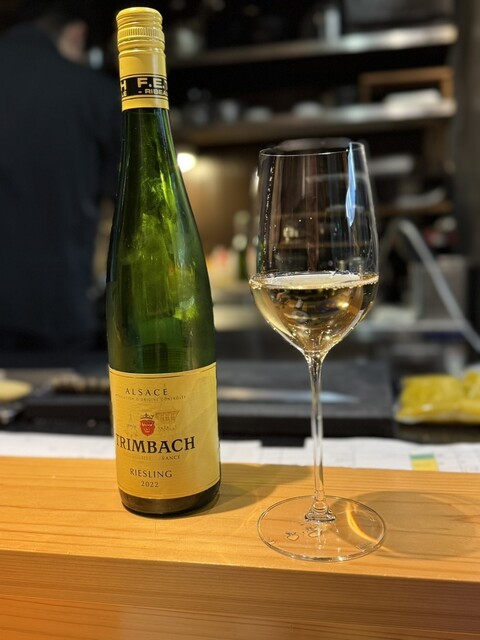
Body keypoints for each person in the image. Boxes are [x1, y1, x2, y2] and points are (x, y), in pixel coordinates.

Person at [0, 0, 120, 353]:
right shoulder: (92, 91)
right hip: (57, 307)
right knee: (57, 390)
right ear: (76, 34)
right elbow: (125, 199)